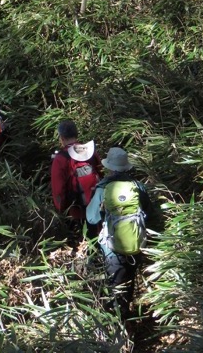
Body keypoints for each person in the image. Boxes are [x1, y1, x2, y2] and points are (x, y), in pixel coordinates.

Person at [86, 146, 152, 318]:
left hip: (112, 248)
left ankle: (119, 324)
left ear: (109, 167)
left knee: (116, 287)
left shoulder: (103, 188)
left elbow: (92, 218)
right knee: (128, 283)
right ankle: (127, 316)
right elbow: (149, 214)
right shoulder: (138, 187)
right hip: (136, 243)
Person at [50, 119, 103, 245]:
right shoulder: (90, 151)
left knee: (82, 242)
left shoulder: (61, 158)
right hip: (96, 206)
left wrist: (61, 210)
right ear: (77, 134)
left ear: (61, 137)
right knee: (97, 237)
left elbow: (58, 189)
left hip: (76, 210)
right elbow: (101, 174)